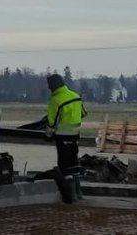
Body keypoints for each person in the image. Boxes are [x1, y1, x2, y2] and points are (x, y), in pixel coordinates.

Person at [45, 73, 86, 202]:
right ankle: (79, 193)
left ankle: (70, 195)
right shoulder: (76, 96)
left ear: (53, 86)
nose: (49, 88)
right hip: (75, 135)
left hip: (62, 137)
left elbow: (51, 122)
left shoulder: (56, 100)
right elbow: (83, 113)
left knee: (64, 165)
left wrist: (48, 135)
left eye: (49, 86)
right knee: (74, 162)